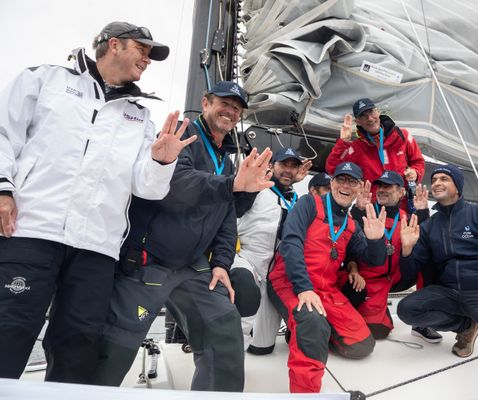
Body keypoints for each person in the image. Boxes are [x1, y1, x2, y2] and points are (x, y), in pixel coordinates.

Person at [0, 21, 195, 384]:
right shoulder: (45, 81)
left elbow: (148, 188)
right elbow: (3, 134)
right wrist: (3, 189)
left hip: (97, 248)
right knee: (8, 331)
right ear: (115, 45)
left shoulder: (141, 116)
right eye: (143, 49)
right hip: (30, 230)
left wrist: (162, 161)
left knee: (79, 346)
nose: (148, 60)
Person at [92, 80, 274, 392]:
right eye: (224, 103)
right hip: (149, 262)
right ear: (205, 102)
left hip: (193, 266)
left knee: (224, 327)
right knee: (117, 345)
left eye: (236, 108)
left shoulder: (228, 159)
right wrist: (232, 185)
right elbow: (176, 187)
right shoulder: (181, 135)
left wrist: (221, 263)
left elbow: (226, 217)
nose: (229, 111)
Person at [397, 164, 478, 400]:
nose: (437, 182)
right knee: (406, 309)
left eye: (444, 179)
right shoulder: (429, 226)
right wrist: (407, 250)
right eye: (434, 179)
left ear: (457, 187)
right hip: (448, 292)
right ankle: (465, 326)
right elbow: (410, 272)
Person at [268, 161, 388, 393]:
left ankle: (308, 334)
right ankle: (306, 394)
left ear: (359, 187)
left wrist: (377, 240)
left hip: (326, 291)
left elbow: (371, 260)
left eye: (352, 182)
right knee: (312, 323)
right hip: (290, 283)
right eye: (340, 179)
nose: (345, 185)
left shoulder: (352, 225)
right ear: (332, 183)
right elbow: (291, 242)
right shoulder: (308, 204)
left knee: (362, 345)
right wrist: (303, 288)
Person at [340, 170, 439, 341]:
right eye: (380, 186)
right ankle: (369, 309)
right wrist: (357, 211)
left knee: (429, 258)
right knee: (378, 331)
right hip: (367, 279)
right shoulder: (366, 213)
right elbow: (349, 248)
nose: (382, 190)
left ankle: (422, 322)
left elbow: (423, 243)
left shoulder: (408, 219)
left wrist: (422, 213)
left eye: (388, 186)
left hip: (396, 277)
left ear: (401, 192)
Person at [231, 147, 309, 355]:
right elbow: (235, 210)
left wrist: (289, 187)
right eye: (284, 165)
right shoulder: (257, 189)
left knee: (261, 347)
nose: (288, 171)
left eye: (294, 167)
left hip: (275, 273)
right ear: (272, 166)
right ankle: (226, 355)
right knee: (244, 289)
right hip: (248, 259)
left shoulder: (296, 200)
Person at [325, 98, 425, 212]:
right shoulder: (357, 147)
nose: (370, 118)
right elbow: (332, 169)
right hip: (373, 207)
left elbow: (418, 162)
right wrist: (344, 141)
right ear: (358, 122)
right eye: (363, 116)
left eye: (371, 112)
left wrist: (416, 173)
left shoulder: (402, 136)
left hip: (403, 205)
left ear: (378, 112)